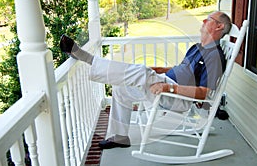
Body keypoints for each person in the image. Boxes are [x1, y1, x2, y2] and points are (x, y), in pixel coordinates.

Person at [60, 11, 232, 149]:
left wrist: (168, 88)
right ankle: (120, 137)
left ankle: (86, 58)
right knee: (121, 88)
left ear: (219, 26)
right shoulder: (197, 47)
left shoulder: (215, 57)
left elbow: (203, 93)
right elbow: (180, 69)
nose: (203, 21)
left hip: (179, 97)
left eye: (208, 19)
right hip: (166, 82)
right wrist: (159, 70)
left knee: (142, 72)